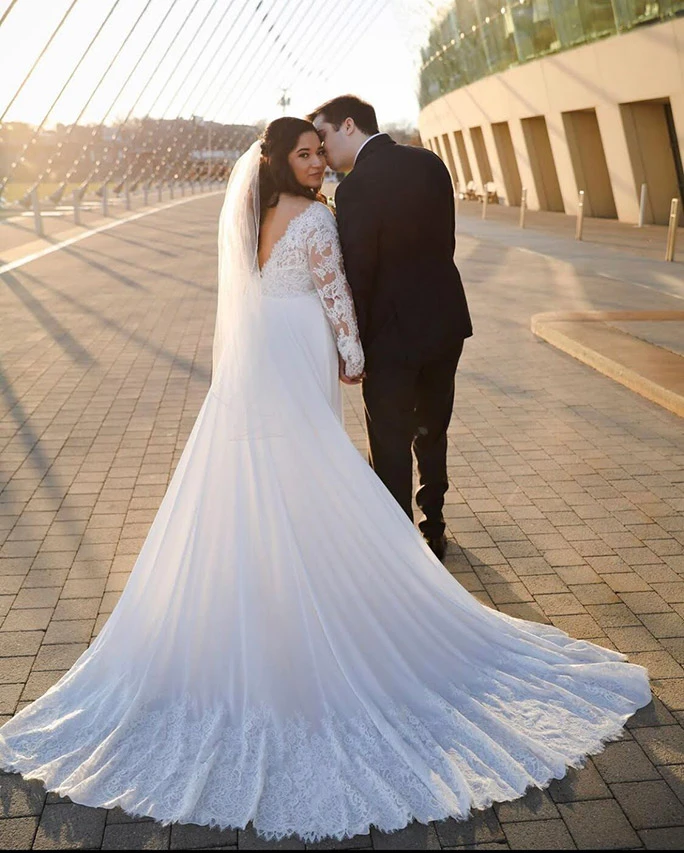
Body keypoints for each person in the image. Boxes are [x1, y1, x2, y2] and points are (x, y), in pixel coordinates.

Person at [0, 117, 651, 846]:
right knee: (313, 457)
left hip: (258, 356)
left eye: (319, 152)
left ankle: (271, 582)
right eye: (304, 155)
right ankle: (322, 577)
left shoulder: (248, 216)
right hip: (304, 341)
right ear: (279, 161)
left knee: (261, 465)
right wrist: (352, 355)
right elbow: (335, 292)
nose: (317, 165)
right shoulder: (314, 218)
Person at [308, 95, 472, 560]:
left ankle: (400, 546)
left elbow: (360, 273)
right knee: (434, 426)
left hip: (391, 336)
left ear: (347, 125)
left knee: (389, 437)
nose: (321, 153)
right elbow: (447, 242)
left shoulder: (356, 188)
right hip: (445, 323)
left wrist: (350, 343)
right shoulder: (431, 164)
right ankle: (434, 521)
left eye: (322, 138)